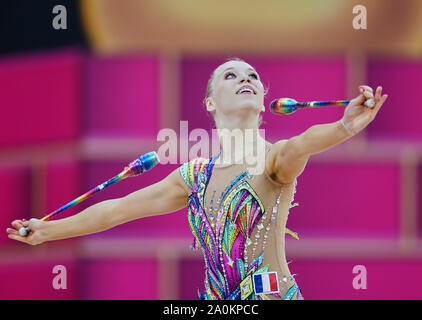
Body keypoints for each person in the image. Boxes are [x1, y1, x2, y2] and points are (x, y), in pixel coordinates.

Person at [6, 58, 388, 300]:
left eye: (253, 75)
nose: (246, 79)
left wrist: (343, 126)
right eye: (231, 75)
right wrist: (47, 231)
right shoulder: (194, 176)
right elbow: (117, 210)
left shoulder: (274, 159)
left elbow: (303, 143)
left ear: (262, 97)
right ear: (209, 102)